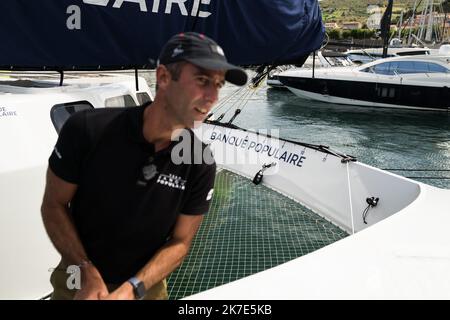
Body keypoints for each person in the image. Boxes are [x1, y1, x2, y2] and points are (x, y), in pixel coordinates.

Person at [41, 32, 247, 300]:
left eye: (218, 85)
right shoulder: (87, 130)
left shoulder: (200, 162)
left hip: (145, 288)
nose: (212, 97)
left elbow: (181, 242)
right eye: (202, 80)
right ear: (163, 77)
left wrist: (132, 288)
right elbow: (53, 204)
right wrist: (84, 269)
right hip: (76, 279)